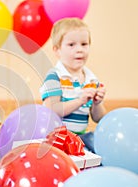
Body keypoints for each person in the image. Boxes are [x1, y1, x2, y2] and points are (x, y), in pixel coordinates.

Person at [40, 18, 106, 152]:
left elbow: (98, 118)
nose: (79, 50)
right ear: (57, 50)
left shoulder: (91, 80)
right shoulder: (54, 77)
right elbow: (52, 110)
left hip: (81, 138)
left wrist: (97, 103)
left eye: (84, 44)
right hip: (56, 138)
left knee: (100, 151)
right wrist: (80, 100)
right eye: (71, 45)